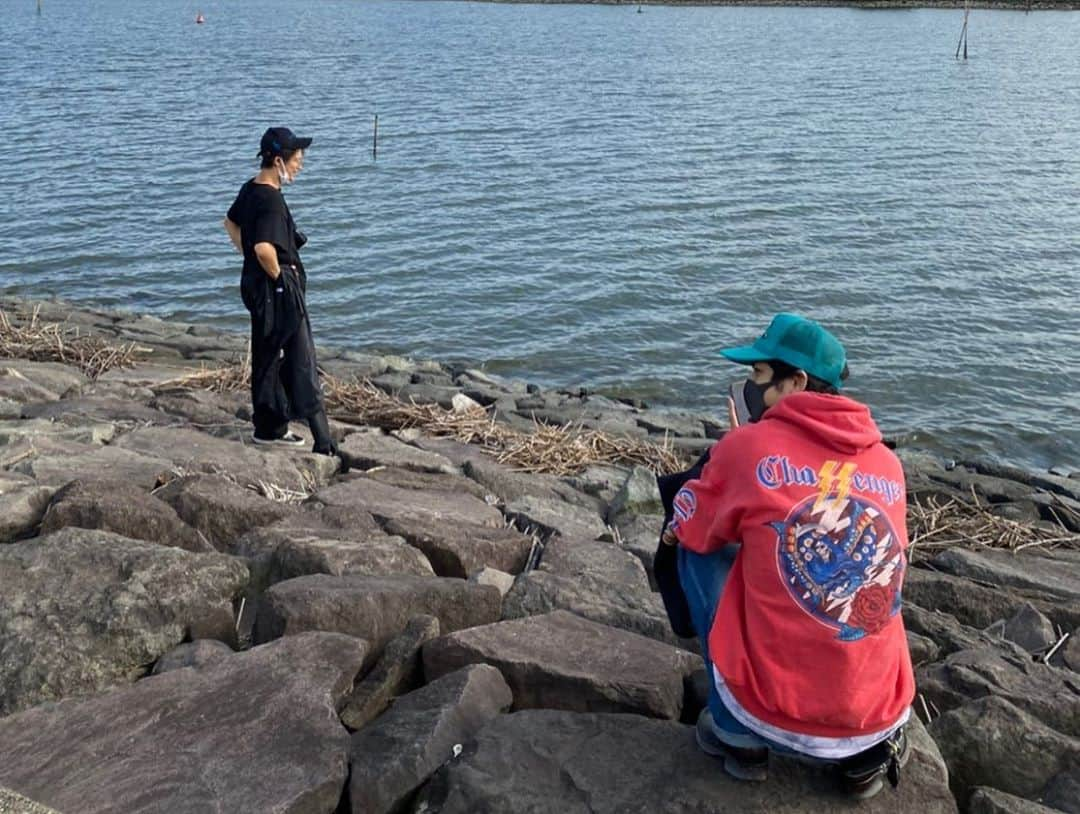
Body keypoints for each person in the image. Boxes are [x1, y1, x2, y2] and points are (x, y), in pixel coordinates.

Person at [662, 313, 914, 799]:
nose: (750, 387)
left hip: (769, 712)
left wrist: (729, 454)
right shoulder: (888, 462)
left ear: (795, 381)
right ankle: (861, 764)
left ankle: (737, 736)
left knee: (699, 552)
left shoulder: (748, 447)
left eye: (759, 377)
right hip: (875, 721)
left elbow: (690, 525)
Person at [223, 127, 340, 462]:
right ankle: (323, 440)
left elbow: (230, 224)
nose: (300, 165)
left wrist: (248, 256)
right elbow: (262, 247)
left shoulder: (251, 189)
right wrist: (280, 279)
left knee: (267, 354)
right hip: (275, 289)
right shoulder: (272, 200)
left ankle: (268, 428)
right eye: (297, 160)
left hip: (256, 287)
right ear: (278, 161)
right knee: (301, 356)